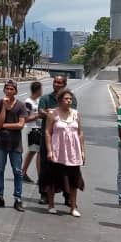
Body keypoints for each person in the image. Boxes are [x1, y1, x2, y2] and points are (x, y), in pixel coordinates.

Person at [38, 76, 79, 207]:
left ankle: (67, 196)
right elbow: (40, 112)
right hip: (48, 137)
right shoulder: (45, 98)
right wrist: (51, 114)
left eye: (60, 83)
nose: (56, 84)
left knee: (66, 167)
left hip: (65, 140)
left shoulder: (71, 99)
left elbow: (72, 112)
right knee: (46, 167)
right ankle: (44, 193)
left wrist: (53, 113)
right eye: (55, 82)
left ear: (65, 84)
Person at [43, 88, 85, 216]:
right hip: (58, 151)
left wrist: (82, 151)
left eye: (70, 99)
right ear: (60, 100)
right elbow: (48, 132)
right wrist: (49, 150)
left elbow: (80, 133)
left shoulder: (76, 114)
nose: (69, 101)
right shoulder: (52, 113)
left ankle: (73, 207)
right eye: (66, 99)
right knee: (53, 178)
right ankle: (51, 205)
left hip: (73, 152)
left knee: (74, 180)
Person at [0, 79, 27, 211]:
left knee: (17, 171)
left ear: (16, 91)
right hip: (0, 143)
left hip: (15, 144)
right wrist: (4, 109)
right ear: (4, 89)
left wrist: (3, 126)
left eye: (12, 89)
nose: (9, 91)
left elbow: (20, 125)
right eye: (7, 88)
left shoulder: (21, 106)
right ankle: (0, 197)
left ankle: (18, 198)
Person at [21, 80, 43, 184]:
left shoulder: (38, 101)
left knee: (32, 152)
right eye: (41, 89)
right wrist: (38, 115)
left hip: (38, 128)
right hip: (32, 130)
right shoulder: (28, 102)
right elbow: (25, 118)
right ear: (38, 90)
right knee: (38, 152)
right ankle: (40, 177)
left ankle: (23, 172)